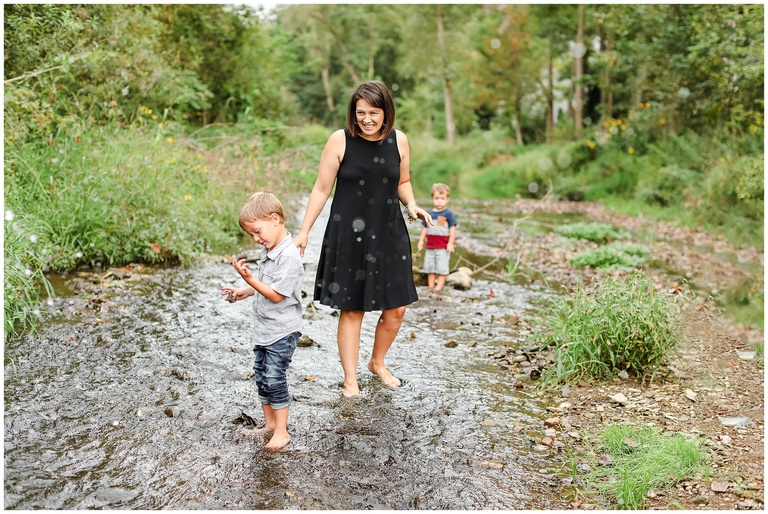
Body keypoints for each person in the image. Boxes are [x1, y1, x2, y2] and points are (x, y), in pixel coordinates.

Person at [293, 80, 433, 397]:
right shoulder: (340, 140)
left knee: (397, 308)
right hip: (348, 235)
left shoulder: (399, 140)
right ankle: (350, 379)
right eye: (360, 113)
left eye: (373, 113)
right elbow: (321, 189)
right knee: (353, 308)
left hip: (389, 232)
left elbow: (403, 181)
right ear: (353, 113)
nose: (366, 120)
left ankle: (377, 362)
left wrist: (411, 205)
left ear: (386, 112)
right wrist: (304, 231)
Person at [221, 192, 304, 450]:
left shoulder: (289, 256)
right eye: (252, 235)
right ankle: (269, 424)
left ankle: (282, 431)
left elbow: (276, 295)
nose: (256, 239)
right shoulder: (269, 251)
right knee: (261, 376)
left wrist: (250, 280)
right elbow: (265, 286)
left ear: (275, 219)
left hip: (282, 331)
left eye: (257, 231)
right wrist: (244, 290)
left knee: (274, 377)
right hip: (265, 329)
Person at [417, 183, 458, 293]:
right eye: (437, 198)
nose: (439, 201)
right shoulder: (429, 213)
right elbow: (425, 228)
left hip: (442, 247)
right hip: (430, 246)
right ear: (432, 199)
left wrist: (451, 243)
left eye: (442, 198)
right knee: (430, 267)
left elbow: (452, 229)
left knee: (441, 267)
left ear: (447, 199)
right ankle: (431, 286)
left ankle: (439, 287)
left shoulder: (448, 214)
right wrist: (421, 240)